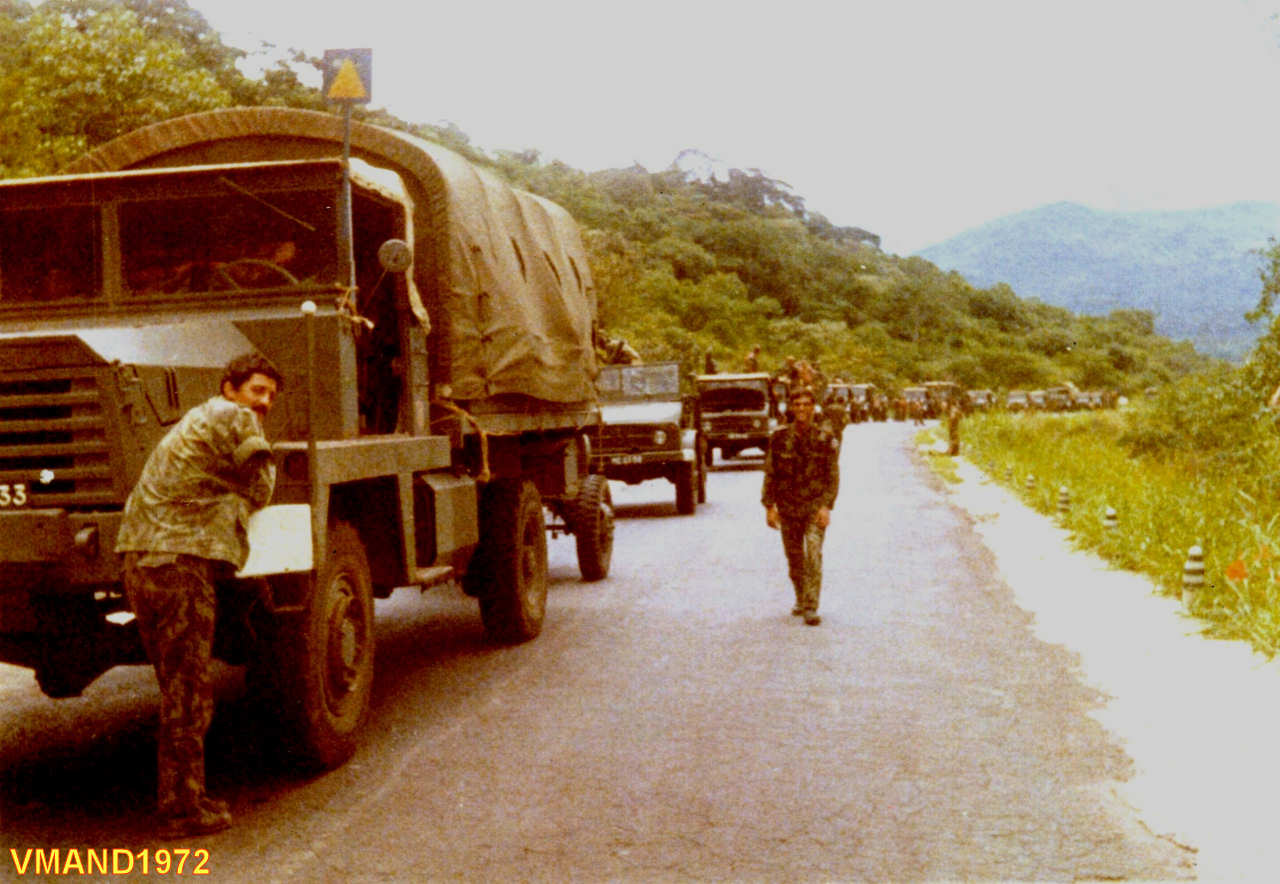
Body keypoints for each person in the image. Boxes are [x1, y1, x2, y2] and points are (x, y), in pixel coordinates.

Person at [114, 352, 282, 837]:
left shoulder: (197, 417)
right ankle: (183, 809)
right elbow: (261, 485)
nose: (264, 402)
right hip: (180, 563)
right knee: (189, 692)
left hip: (141, 558)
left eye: (271, 395)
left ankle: (181, 797)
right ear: (230, 387)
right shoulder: (236, 416)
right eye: (257, 389)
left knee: (176, 687)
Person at [761, 386, 840, 626]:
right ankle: (800, 596)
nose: (802, 409)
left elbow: (832, 476)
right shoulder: (779, 437)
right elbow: (771, 473)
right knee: (794, 558)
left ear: (813, 407)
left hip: (814, 506)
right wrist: (769, 506)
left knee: (813, 555)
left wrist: (826, 506)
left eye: (807, 404)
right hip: (788, 507)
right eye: (798, 404)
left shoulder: (825, 438)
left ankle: (811, 606)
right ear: (791, 408)